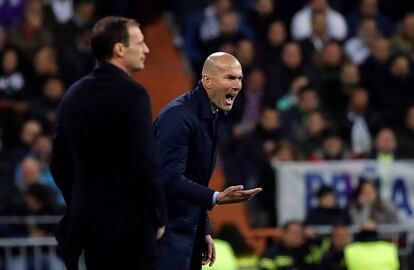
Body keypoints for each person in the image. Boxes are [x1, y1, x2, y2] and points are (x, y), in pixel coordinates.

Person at [50, 16, 167, 270]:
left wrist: (81, 199)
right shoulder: (133, 94)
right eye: (140, 42)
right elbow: (146, 161)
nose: (146, 49)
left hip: (89, 227)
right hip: (131, 229)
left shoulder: (73, 94)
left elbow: (58, 162)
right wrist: (158, 215)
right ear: (119, 49)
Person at [154, 52, 262, 270]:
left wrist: (203, 228)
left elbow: (194, 178)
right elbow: (168, 178)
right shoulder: (178, 117)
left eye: (240, 78)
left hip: (187, 230)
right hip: (165, 231)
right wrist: (216, 197)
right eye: (230, 78)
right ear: (207, 80)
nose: (238, 85)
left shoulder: (212, 114)